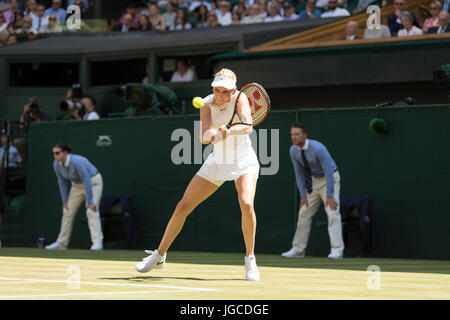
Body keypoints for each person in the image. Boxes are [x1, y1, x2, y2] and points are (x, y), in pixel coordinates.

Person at [135, 68, 261, 281]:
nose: (220, 95)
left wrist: (228, 131)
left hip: (243, 161)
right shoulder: (206, 103)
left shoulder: (241, 99)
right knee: (183, 206)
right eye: (216, 90)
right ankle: (159, 255)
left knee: (246, 203)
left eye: (225, 91)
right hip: (217, 162)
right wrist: (210, 134)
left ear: (234, 90)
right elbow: (203, 136)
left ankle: (250, 259)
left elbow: (247, 127)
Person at [282, 123, 345, 259]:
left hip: (330, 179)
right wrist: (303, 195)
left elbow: (328, 170)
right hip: (313, 181)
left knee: (332, 213)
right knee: (303, 213)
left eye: (297, 134)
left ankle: (337, 250)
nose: (294, 137)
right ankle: (298, 250)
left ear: (305, 135)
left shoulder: (318, 148)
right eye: (292, 134)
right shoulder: (293, 150)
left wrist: (329, 195)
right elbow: (298, 173)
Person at [45, 142, 104, 251]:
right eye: (53, 153)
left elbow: (86, 179)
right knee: (67, 211)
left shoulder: (77, 161)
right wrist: (64, 201)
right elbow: (61, 182)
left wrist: (90, 201)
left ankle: (97, 243)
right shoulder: (56, 164)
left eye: (57, 153)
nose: (55, 156)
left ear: (65, 152)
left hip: (93, 183)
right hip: (77, 186)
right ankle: (61, 243)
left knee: (91, 211)